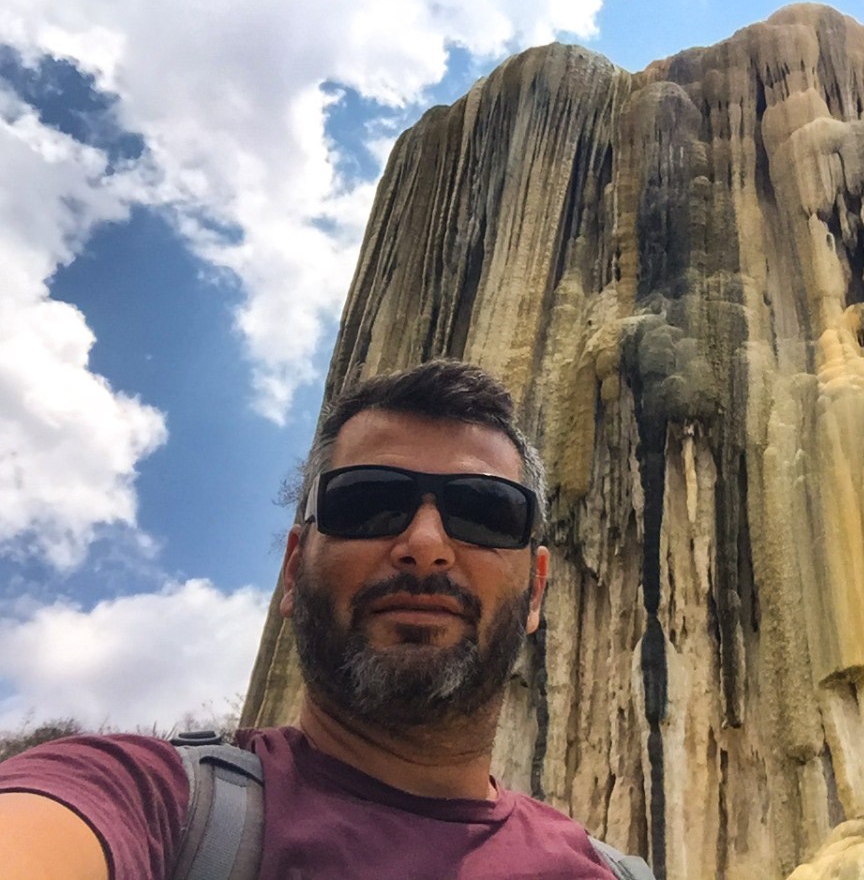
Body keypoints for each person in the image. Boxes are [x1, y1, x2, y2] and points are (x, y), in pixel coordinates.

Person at [0, 359, 642, 878]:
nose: (425, 543)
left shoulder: (610, 872)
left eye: (485, 512)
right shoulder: (148, 804)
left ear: (535, 590)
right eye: (367, 503)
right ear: (293, 568)